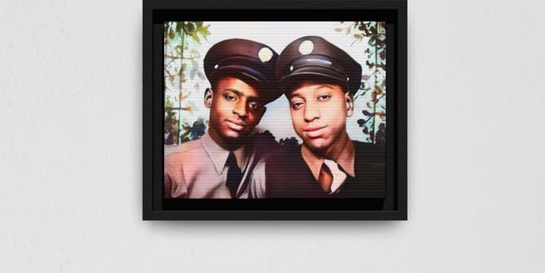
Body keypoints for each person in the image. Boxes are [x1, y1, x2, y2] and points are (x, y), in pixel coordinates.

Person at [267, 34, 386, 199]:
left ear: (349, 104)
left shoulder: (384, 163)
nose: (309, 115)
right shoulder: (276, 170)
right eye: (297, 104)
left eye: (323, 97)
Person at [163, 39, 280, 199]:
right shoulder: (170, 168)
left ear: (260, 115)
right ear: (209, 98)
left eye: (254, 105)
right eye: (231, 97)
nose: (241, 111)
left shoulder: (269, 164)